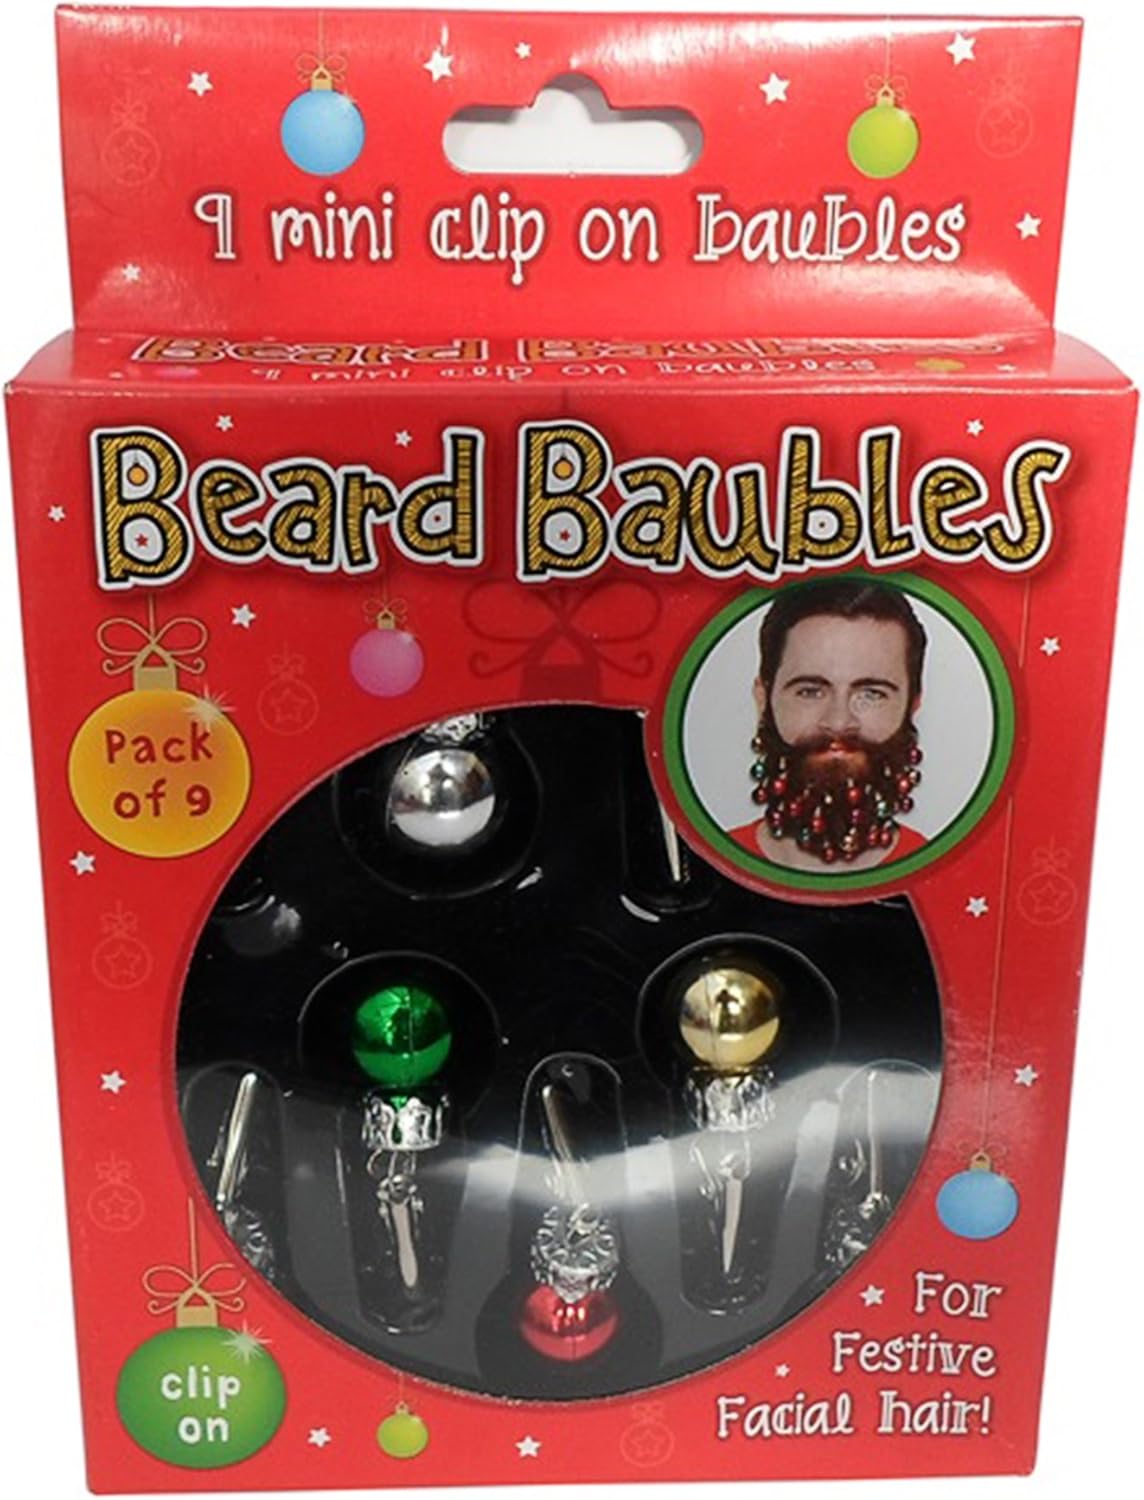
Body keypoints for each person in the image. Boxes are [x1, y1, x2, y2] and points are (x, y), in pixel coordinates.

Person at [727, 579, 927, 871]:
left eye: (871, 694)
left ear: (912, 705)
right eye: (810, 691)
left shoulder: (947, 872)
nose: (838, 722)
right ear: (763, 699)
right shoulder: (710, 860)